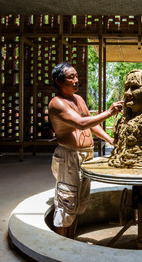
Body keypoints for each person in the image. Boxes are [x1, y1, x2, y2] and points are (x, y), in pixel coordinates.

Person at [48, 61, 123, 238]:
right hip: (69, 156)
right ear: (59, 81)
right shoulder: (57, 104)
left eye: (76, 76)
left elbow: (90, 122)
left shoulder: (79, 99)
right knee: (67, 203)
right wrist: (109, 112)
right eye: (71, 77)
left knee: (80, 202)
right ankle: (60, 248)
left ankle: (70, 240)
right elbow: (81, 124)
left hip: (86, 155)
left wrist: (109, 138)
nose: (76, 80)